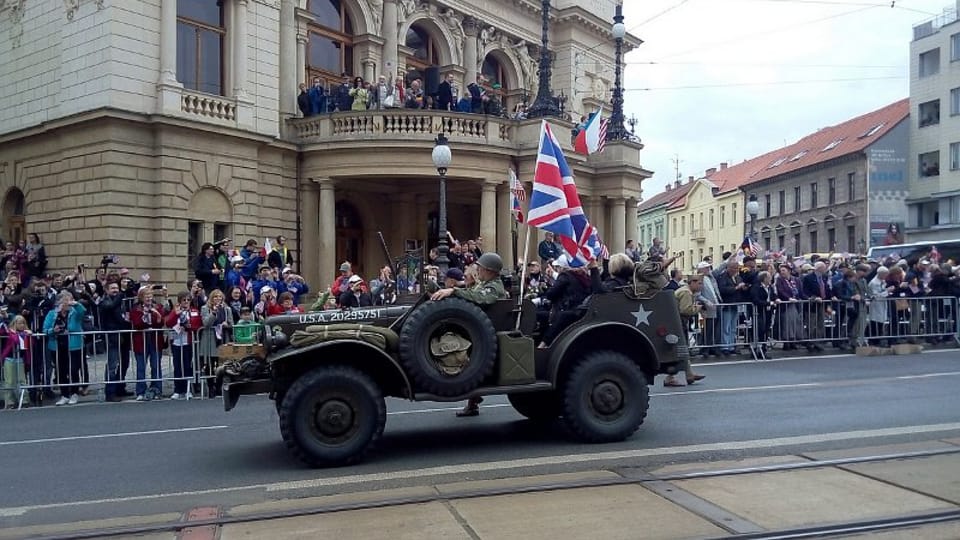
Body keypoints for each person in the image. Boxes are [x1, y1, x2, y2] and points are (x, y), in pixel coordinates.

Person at [430, 252, 507, 417]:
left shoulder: (494, 286)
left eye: (481, 268)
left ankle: (472, 400)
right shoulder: (485, 283)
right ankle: (473, 403)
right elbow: (470, 289)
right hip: (478, 331)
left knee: (467, 360)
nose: (478, 271)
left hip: (487, 334)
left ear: (489, 270)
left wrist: (454, 291)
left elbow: (479, 297)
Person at [664, 276, 707, 387]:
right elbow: (685, 310)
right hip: (677, 322)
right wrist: (697, 308)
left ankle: (689, 374)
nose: (701, 286)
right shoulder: (686, 293)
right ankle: (670, 377)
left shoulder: (684, 291)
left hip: (674, 321)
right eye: (699, 283)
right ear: (692, 282)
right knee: (679, 349)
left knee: (683, 349)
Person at [165, 291, 201, 400]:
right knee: (177, 367)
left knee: (187, 366)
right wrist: (175, 313)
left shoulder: (194, 311)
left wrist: (189, 326)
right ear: (179, 301)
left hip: (188, 342)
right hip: (177, 342)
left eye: (188, 300)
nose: (186, 302)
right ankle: (177, 390)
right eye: (183, 300)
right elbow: (168, 323)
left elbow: (198, 324)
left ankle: (187, 389)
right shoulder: (175, 311)